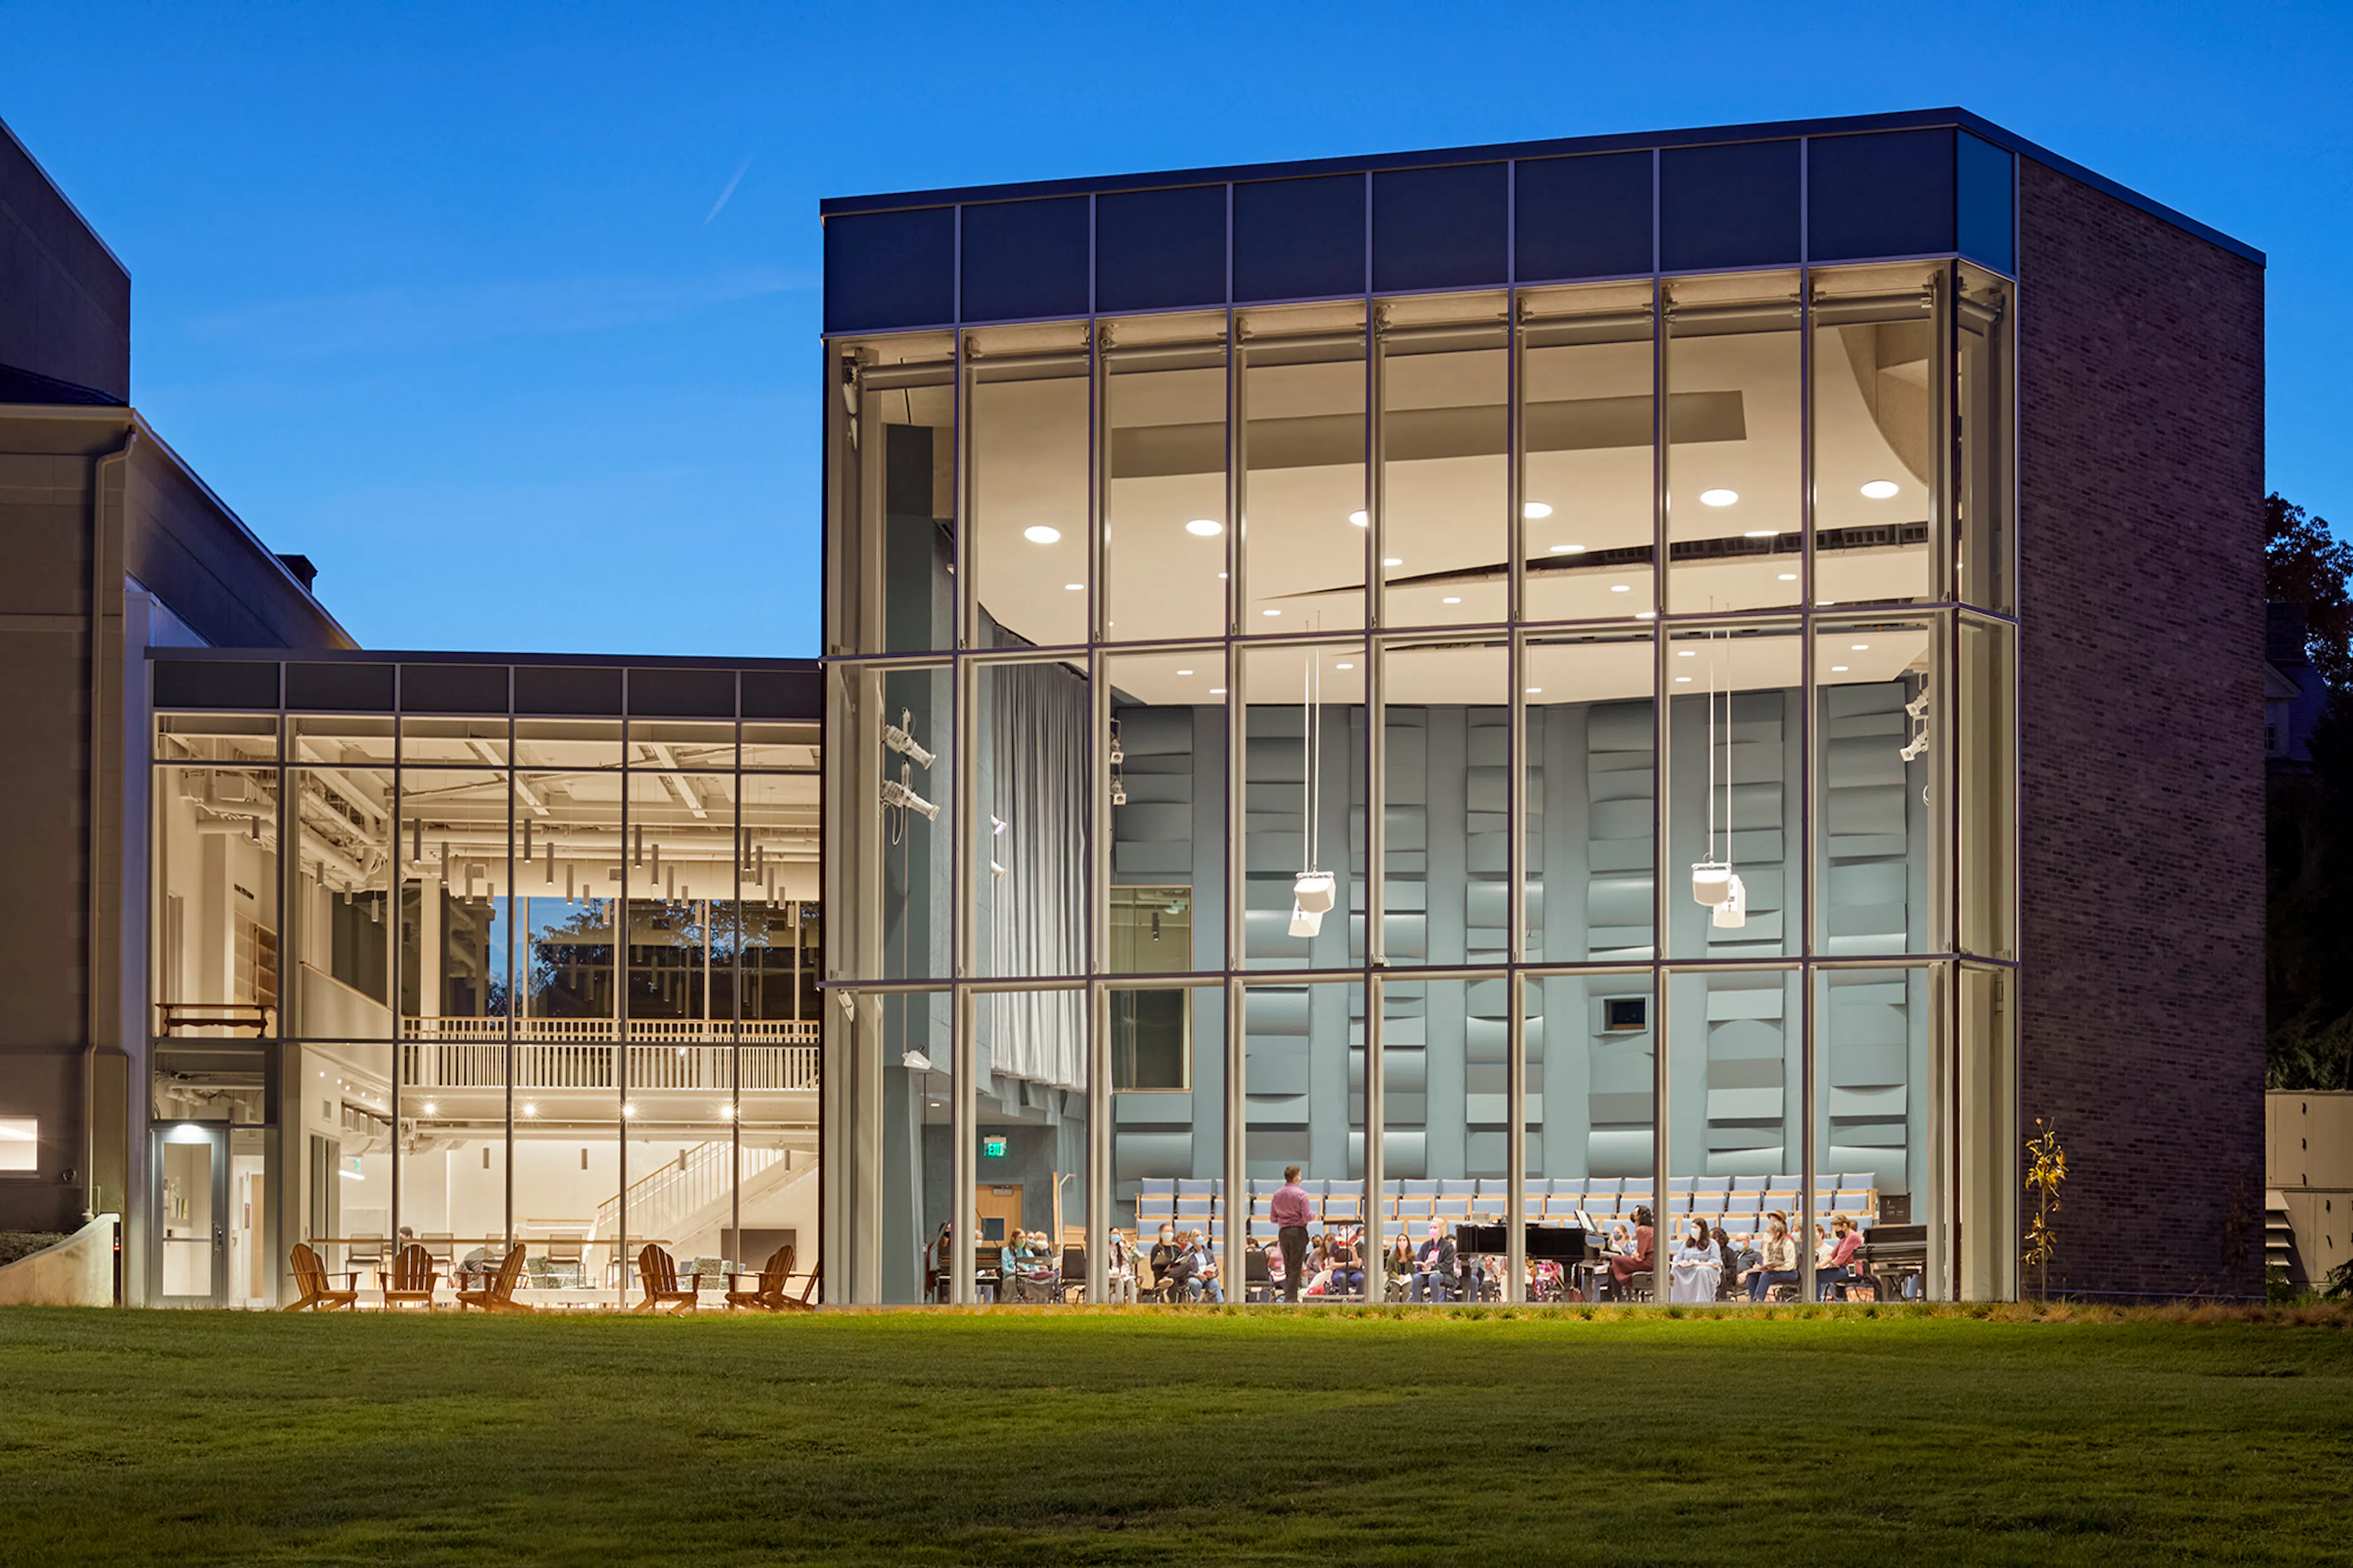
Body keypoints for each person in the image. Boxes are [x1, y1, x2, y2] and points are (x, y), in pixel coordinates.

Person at [1269, 1164, 1314, 1304]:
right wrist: (1314, 1216)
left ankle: (1290, 1296)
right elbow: (1307, 1216)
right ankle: (1291, 1299)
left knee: (1288, 1266)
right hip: (1298, 1232)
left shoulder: (1277, 1195)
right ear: (1296, 1178)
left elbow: (1273, 1218)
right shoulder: (1301, 1195)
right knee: (1296, 1267)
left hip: (1283, 1232)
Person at [1748, 1212, 1800, 1301]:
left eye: (1769, 1232)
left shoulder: (1787, 1243)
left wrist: (1775, 1269)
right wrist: (1762, 1267)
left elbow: (1790, 1265)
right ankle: (1753, 1300)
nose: (1766, 1234)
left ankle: (1758, 1300)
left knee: (1766, 1276)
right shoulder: (1769, 1244)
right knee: (1752, 1275)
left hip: (1789, 1272)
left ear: (1777, 1234)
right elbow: (1766, 1260)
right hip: (1772, 1271)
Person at [1609, 1205, 1656, 1301]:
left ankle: (1620, 1296)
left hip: (1647, 1262)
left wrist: (1634, 1254)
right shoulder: (1651, 1229)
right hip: (1652, 1261)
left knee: (1615, 1259)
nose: (1633, 1214)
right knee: (1612, 1268)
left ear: (1640, 1216)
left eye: (1635, 1213)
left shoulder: (1641, 1230)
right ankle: (1625, 1296)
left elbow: (1640, 1257)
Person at [1669, 1219, 1719, 1303]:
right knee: (1675, 1270)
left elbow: (1716, 1262)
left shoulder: (1712, 1244)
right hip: (1689, 1268)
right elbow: (1678, 1259)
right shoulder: (1686, 1244)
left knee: (1701, 1270)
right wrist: (1683, 1262)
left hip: (1705, 1269)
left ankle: (1701, 1302)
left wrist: (1699, 1263)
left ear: (1702, 1230)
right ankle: (1677, 1302)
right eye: (1692, 1227)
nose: (1693, 1230)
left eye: (1695, 1228)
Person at [1408, 1222, 1458, 1303]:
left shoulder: (1448, 1246)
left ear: (1441, 1230)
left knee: (1433, 1278)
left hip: (1444, 1274)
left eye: (1435, 1228)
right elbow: (1419, 1259)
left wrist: (1433, 1268)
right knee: (1416, 1278)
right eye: (1431, 1228)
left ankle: (1436, 1306)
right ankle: (1415, 1305)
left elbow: (1447, 1265)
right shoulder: (1426, 1245)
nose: (1433, 1230)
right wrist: (1422, 1266)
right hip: (1426, 1273)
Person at [1817, 1213, 1862, 1301]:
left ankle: (1815, 1302)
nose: (1837, 1233)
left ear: (1845, 1226)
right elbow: (1832, 1255)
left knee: (1818, 1275)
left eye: (1837, 1230)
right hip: (1844, 1269)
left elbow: (1840, 1259)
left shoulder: (1853, 1237)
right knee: (1817, 1272)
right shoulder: (1844, 1238)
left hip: (1852, 1271)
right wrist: (1821, 1265)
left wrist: (1828, 1265)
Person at [1148, 1223, 1186, 1303]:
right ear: (1161, 1233)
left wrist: (1174, 1270)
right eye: (1166, 1231)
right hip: (1162, 1274)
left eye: (1171, 1231)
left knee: (1187, 1265)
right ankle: (1171, 1304)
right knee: (1173, 1280)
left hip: (1176, 1274)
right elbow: (1153, 1267)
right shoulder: (1157, 1248)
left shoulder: (1177, 1249)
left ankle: (1169, 1277)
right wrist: (1166, 1270)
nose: (1169, 1233)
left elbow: (1182, 1262)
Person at [1184, 1230, 1222, 1303]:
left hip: (1207, 1278)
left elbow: (1216, 1270)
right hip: (1195, 1277)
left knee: (1215, 1282)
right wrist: (1196, 1275)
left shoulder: (1209, 1252)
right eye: (1197, 1235)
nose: (1200, 1237)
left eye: (1201, 1235)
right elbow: (1184, 1271)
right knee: (1195, 1283)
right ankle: (1198, 1303)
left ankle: (1220, 1304)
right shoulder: (1187, 1254)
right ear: (1191, 1240)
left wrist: (1213, 1275)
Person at [1325, 1229, 1363, 1299]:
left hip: (1355, 1272)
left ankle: (1358, 1301)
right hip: (1339, 1271)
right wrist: (1348, 1264)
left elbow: (1358, 1264)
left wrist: (1354, 1252)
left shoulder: (1359, 1245)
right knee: (1342, 1277)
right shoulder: (1335, 1245)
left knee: (1362, 1278)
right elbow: (1332, 1265)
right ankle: (1344, 1299)